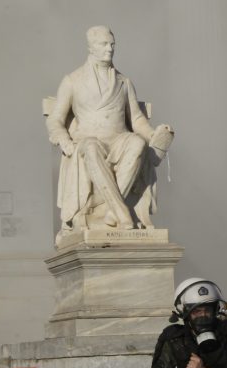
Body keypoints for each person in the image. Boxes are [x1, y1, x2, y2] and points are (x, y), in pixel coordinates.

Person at [46, 25, 175, 241]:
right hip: (87, 142)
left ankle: (112, 212)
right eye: (103, 44)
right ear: (90, 48)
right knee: (90, 147)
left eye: (112, 44)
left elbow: (136, 119)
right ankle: (121, 214)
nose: (110, 49)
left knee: (137, 143)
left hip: (119, 141)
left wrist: (154, 135)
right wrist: (64, 140)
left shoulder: (124, 82)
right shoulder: (72, 80)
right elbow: (56, 120)